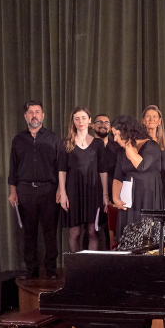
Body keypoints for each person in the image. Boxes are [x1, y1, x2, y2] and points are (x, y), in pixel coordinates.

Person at [8, 100, 64, 280]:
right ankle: (31, 269)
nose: (34, 115)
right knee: (29, 232)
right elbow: (13, 168)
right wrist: (13, 191)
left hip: (49, 190)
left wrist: (60, 190)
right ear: (25, 116)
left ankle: (51, 269)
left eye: (37, 112)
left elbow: (61, 167)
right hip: (25, 191)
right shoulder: (18, 140)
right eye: (30, 112)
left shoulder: (54, 139)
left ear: (43, 115)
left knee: (49, 231)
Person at [58, 107, 108, 253]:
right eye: (77, 118)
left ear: (90, 120)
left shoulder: (98, 144)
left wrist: (105, 196)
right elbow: (62, 170)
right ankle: (76, 270)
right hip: (73, 192)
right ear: (72, 121)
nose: (81, 121)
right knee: (75, 233)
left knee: (92, 232)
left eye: (84, 118)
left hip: (93, 192)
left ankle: (90, 271)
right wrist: (63, 193)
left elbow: (103, 171)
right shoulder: (65, 143)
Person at [111, 115, 165, 241]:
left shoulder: (151, 146)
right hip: (129, 201)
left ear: (127, 132)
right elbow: (118, 176)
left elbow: (141, 165)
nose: (115, 139)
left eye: (117, 134)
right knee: (128, 237)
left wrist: (129, 146)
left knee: (146, 237)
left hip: (147, 197)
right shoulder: (121, 152)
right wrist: (115, 198)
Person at [92, 113, 120, 249]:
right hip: (91, 194)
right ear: (92, 125)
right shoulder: (87, 146)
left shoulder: (117, 148)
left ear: (110, 128)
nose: (103, 125)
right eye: (99, 122)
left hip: (113, 196)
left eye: (106, 122)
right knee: (91, 232)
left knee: (112, 231)